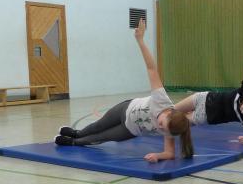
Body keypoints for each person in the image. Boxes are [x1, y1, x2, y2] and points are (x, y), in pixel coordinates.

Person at [55, 19, 193, 162]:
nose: (160, 128)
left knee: (101, 137)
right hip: (125, 108)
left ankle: (74, 142)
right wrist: (140, 40)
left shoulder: (170, 129)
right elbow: (151, 68)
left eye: (163, 130)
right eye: (162, 124)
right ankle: (77, 133)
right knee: (98, 125)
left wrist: (158, 156)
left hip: (128, 130)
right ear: (168, 113)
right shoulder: (161, 100)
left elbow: (169, 153)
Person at [173, 37, 243, 144]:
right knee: (170, 111)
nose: (242, 111)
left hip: (204, 116)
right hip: (203, 98)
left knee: (173, 122)